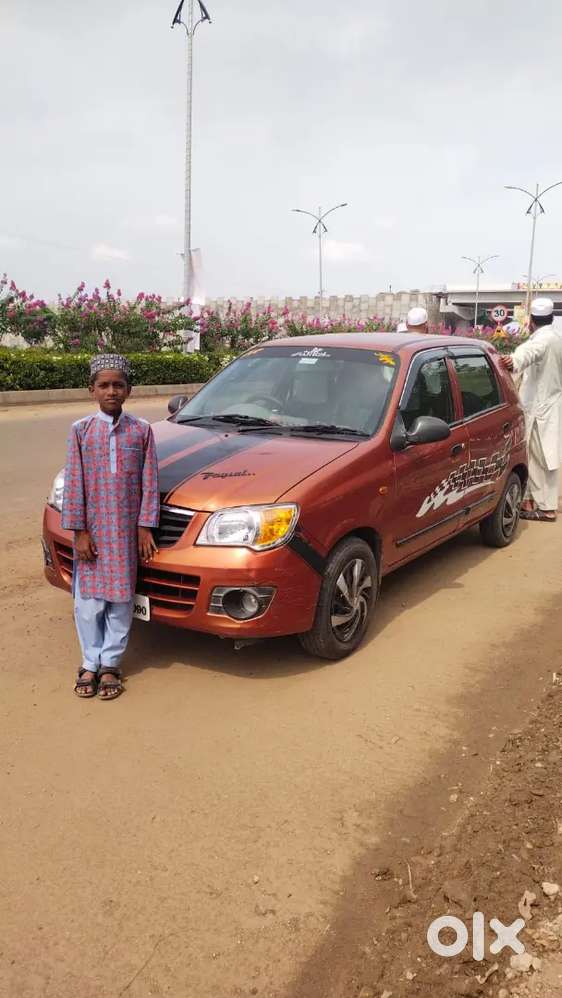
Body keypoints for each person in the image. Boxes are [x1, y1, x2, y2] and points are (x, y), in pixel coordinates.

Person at [62, 354, 160, 700]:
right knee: (88, 603)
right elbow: (74, 483)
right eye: (104, 385)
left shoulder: (142, 431)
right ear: (92, 390)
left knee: (120, 601)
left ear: (128, 390)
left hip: (124, 533)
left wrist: (145, 526)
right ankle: (89, 661)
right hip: (92, 531)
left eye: (118, 384)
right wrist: (79, 531)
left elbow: (150, 482)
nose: (111, 391)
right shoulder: (80, 431)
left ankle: (110, 665)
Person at [500, 298, 562, 522]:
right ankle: (533, 502)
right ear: (551, 318)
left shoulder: (541, 341)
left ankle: (545, 509)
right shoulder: (556, 338)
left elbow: (528, 353)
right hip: (551, 406)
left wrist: (512, 360)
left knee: (536, 458)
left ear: (531, 321)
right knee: (547, 458)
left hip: (538, 409)